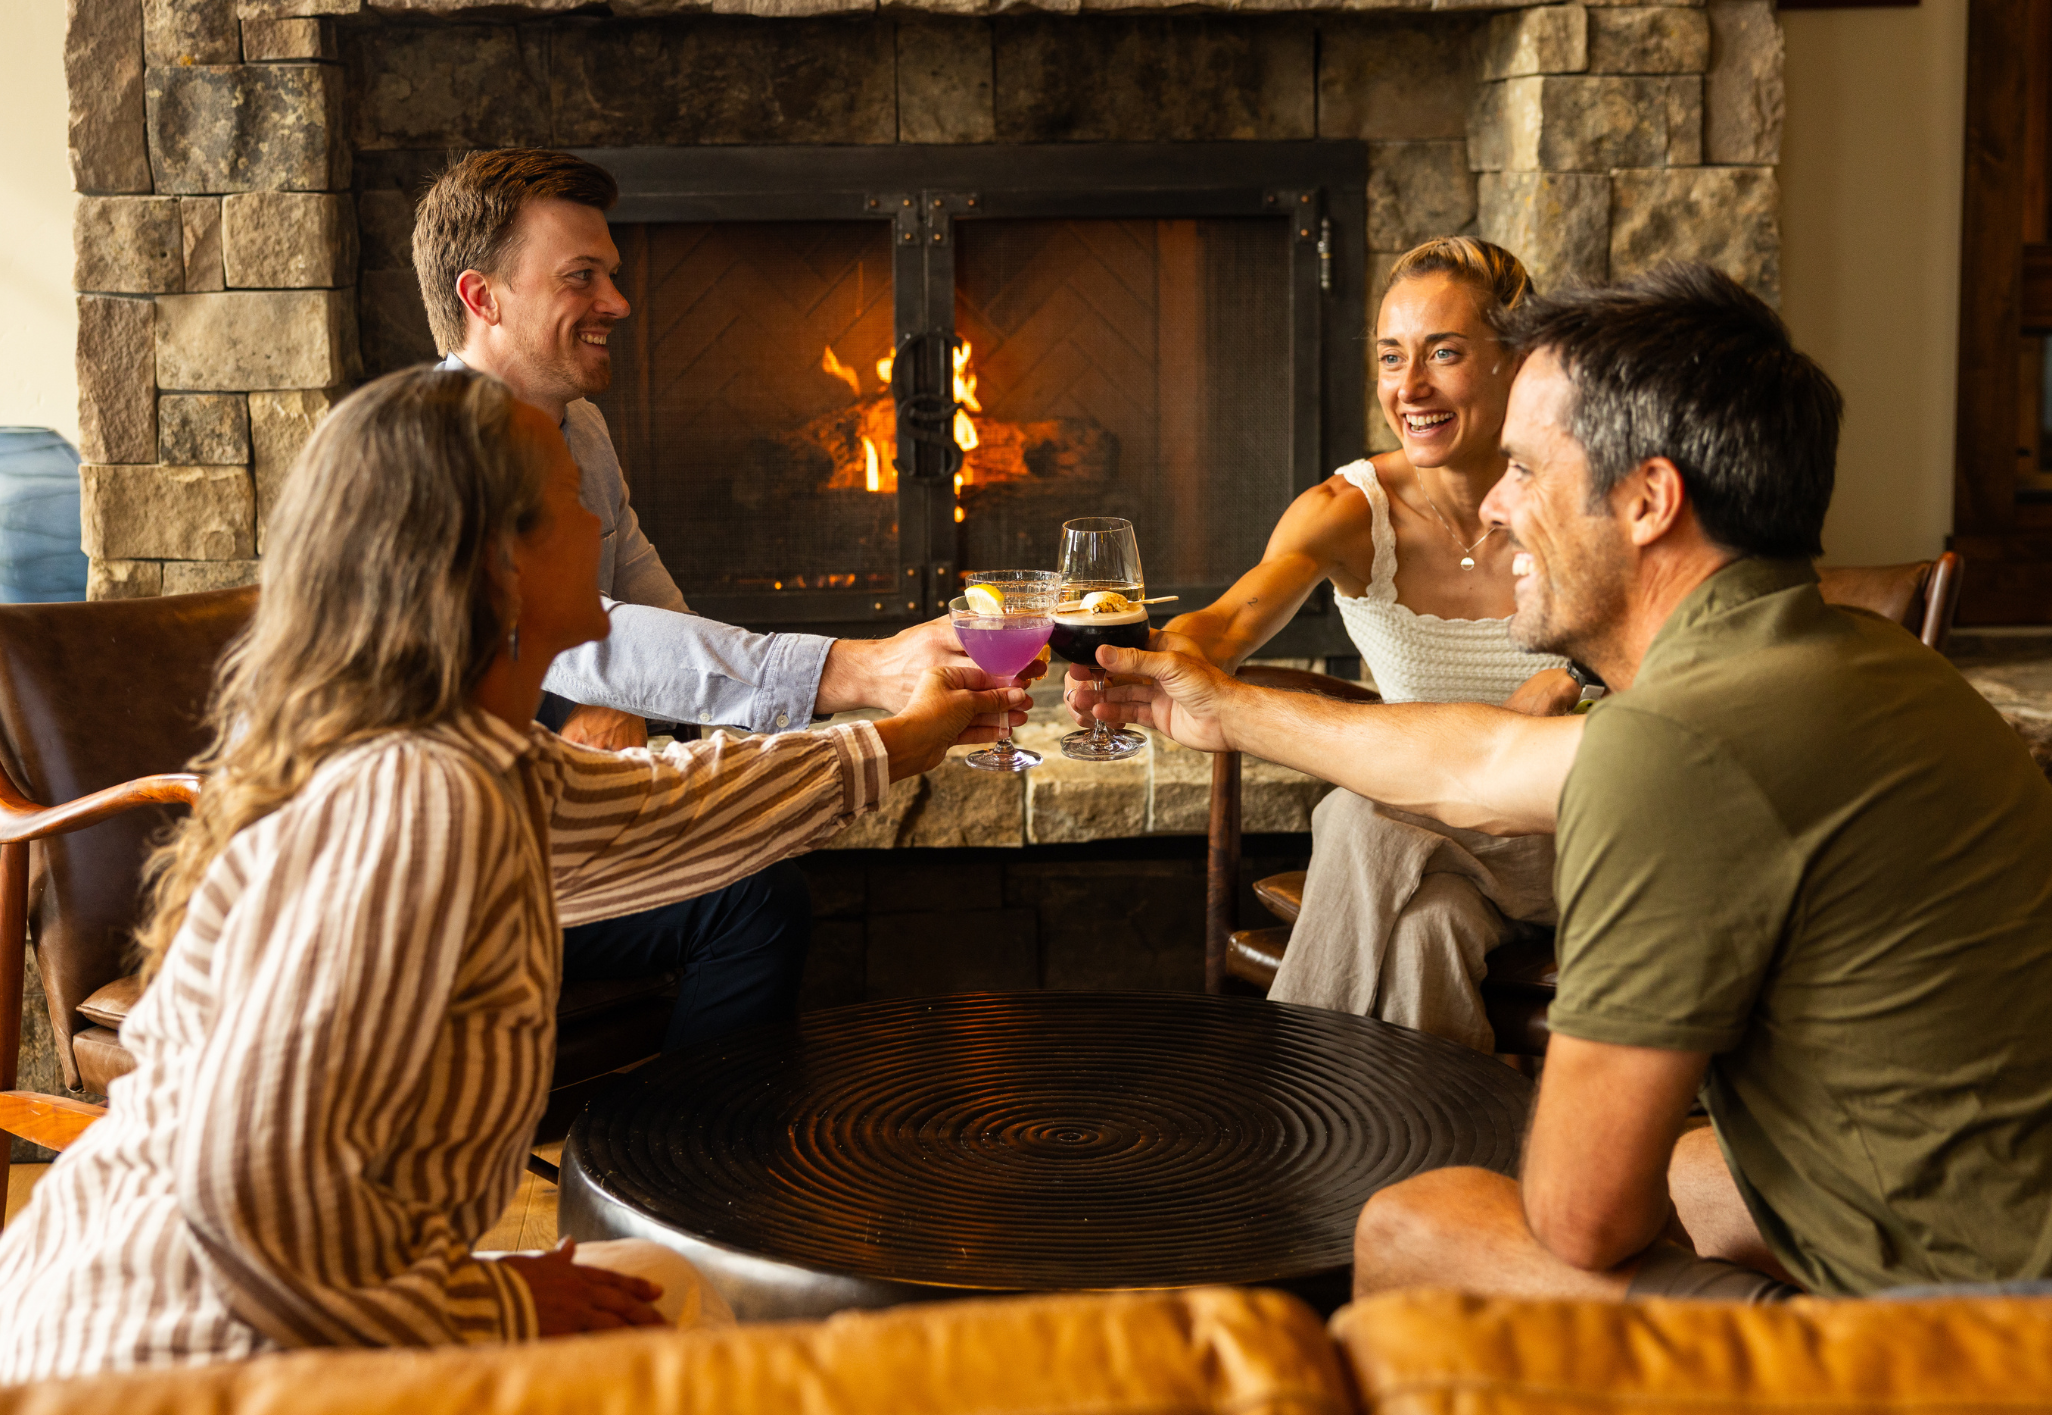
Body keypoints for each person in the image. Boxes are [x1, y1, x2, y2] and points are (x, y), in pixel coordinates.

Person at [0, 367, 1028, 1384]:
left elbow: (674, 803)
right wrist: (490, 1299)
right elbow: (241, 1201)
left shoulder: (459, 760)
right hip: (162, 1352)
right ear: (500, 561)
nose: (597, 524)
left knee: (676, 1293)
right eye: (571, 501)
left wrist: (900, 740)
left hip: (240, 1301)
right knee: (693, 1329)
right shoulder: (424, 797)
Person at [1083, 265, 2052, 1300]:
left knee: (1420, 1220)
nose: (1495, 508)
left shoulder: (1680, 750)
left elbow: (1582, 1219)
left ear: (1646, 500)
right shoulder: (1865, 666)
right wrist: (1220, 707)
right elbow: (1476, 761)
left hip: (1965, 1340)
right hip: (1989, 1226)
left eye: (1528, 470)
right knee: (1678, 1168)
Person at [411, 149, 985, 1052]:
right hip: (442, 878)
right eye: (582, 277)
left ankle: (682, 1152)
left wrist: (678, 708)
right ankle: (683, 1164)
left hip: (508, 824)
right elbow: (581, 641)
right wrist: (856, 676)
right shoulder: (435, 454)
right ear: (481, 297)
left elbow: (628, 595)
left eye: (613, 274)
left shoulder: (577, 427)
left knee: (742, 863)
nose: (618, 302)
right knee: (752, 900)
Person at [1116, 238, 1574, 1050]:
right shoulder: (1349, 509)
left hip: (1578, 847)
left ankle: (1291, 1131)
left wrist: (1571, 706)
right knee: (1427, 931)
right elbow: (1223, 626)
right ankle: (1432, 1163)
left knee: (1360, 815)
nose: (1410, 387)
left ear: (1517, 359)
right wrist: (1144, 655)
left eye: (1445, 353)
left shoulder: (1579, 498)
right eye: (1392, 357)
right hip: (1438, 857)